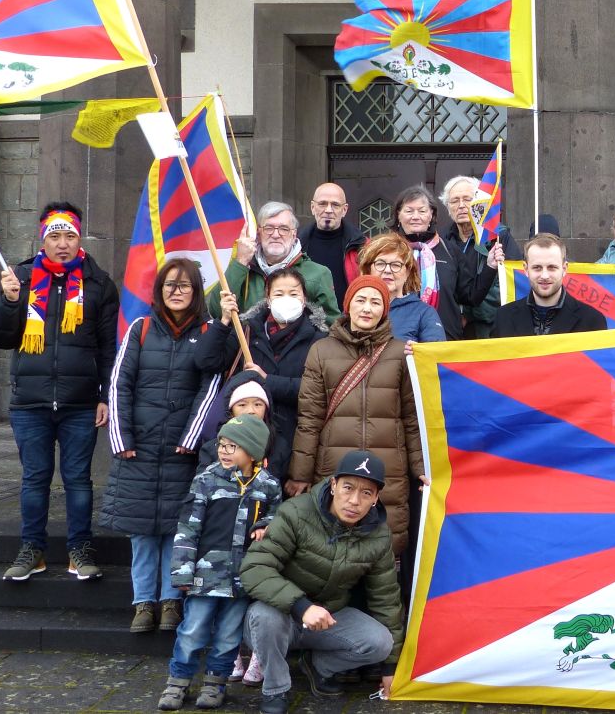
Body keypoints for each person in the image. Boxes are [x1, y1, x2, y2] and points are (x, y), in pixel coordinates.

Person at [0, 202, 119, 582]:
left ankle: (80, 550)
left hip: (80, 402)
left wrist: (105, 396)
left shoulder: (98, 283)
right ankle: (33, 549)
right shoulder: (22, 278)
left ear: (80, 237)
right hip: (30, 401)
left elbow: (108, 348)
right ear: (43, 239)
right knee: (35, 478)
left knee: (78, 479)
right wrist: (10, 301)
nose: (62, 243)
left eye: (70, 236)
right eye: (55, 236)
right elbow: (2, 338)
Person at [102, 258, 225, 633]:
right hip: (138, 449)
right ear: (159, 290)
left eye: (185, 286)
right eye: (170, 285)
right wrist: (121, 439)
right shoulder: (140, 330)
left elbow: (210, 390)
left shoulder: (207, 333)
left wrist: (190, 440)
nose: (176, 292)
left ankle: (172, 600)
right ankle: (143, 603)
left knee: (176, 530)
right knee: (142, 534)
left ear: (196, 292)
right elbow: (119, 385)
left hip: (179, 452)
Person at [241, 450, 403, 713]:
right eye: (348, 488)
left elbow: (385, 598)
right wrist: (301, 606)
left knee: (379, 642)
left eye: (366, 493)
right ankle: (275, 689)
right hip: (281, 614)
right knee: (263, 617)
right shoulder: (295, 512)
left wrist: (390, 667)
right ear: (333, 484)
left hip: (330, 618)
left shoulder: (378, 535)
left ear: (376, 498)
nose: (354, 501)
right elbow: (255, 567)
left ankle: (318, 667)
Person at [288, 275, 426, 560]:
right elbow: (309, 418)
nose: (367, 308)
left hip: (389, 470)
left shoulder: (401, 353)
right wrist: (300, 474)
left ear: (384, 310)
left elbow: (413, 419)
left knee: (385, 552)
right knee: (331, 549)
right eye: (361, 300)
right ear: (348, 305)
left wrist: (421, 467)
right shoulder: (321, 351)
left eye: (375, 302)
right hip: (334, 464)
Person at [157, 415, 280, 712]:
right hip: (204, 576)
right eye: (222, 444)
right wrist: (183, 571)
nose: (224, 451)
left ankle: (216, 684)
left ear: (253, 452)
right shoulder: (206, 480)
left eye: (233, 446)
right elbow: (188, 529)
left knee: (228, 636)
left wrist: (267, 525)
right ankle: (178, 681)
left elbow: (279, 519)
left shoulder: (268, 486)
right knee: (193, 630)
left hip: (241, 580)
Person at [197, 269, 328, 478]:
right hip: (242, 442)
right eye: (278, 294)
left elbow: (317, 390)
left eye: (293, 294)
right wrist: (223, 322)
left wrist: (267, 381)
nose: (286, 299)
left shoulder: (319, 340)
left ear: (304, 299)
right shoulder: (247, 331)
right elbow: (207, 360)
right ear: (268, 299)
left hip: (293, 443)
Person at [393, 184, 503, 339]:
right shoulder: (386, 251)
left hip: (444, 337)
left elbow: (470, 296)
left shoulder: (450, 251)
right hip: (398, 338)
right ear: (398, 215)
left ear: (431, 215)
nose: (415, 216)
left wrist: (490, 266)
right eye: (409, 211)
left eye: (422, 211)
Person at [207, 201, 340, 325]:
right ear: (258, 233)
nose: (276, 235)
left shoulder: (318, 273)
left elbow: (330, 325)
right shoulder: (242, 269)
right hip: (248, 348)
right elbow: (216, 311)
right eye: (269, 228)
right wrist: (240, 261)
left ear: (294, 235)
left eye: (284, 229)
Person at [438, 175, 521, 339]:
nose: (461, 206)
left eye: (467, 199)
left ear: (479, 203)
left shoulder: (498, 237)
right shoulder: (442, 241)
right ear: (448, 207)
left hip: (490, 327)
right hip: (450, 328)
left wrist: (467, 313)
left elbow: (511, 282)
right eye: (454, 201)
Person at [492, 234, 608, 337]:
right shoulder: (503, 318)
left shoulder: (592, 321)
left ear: (564, 269)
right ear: (526, 269)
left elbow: (606, 360)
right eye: (537, 268)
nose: (545, 275)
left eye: (552, 267)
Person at [358, 231, 445, 345]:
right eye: (380, 264)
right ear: (369, 269)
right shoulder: (355, 307)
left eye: (396, 265)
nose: (387, 270)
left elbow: (437, 356)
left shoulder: (424, 313)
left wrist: (419, 354)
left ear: (408, 272)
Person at [298, 183, 367, 302]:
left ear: (344, 210)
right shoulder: (295, 246)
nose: (328, 210)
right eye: (322, 204)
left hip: (350, 318)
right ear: (312, 207)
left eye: (335, 204)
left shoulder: (363, 246)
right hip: (306, 319)